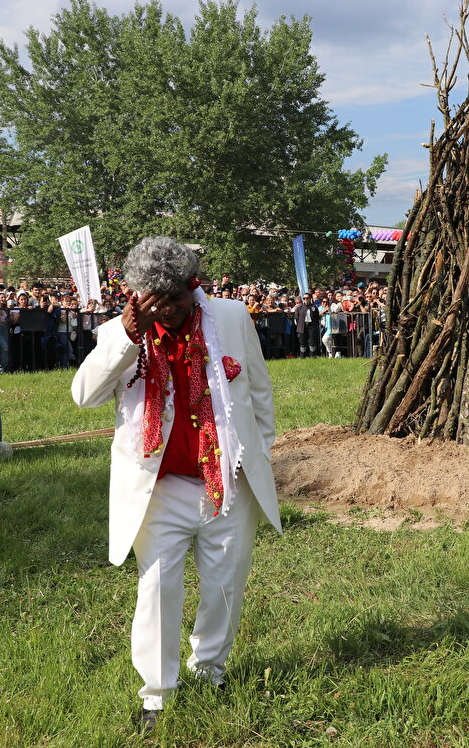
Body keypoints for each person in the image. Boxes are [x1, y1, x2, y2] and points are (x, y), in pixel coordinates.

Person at [71, 236, 281, 733]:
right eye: (155, 303)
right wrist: (126, 336)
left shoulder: (231, 318)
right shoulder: (120, 332)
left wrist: (258, 454)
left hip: (226, 480)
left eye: (177, 301)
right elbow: (85, 396)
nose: (168, 312)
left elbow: (258, 390)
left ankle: (210, 671)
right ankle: (158, 694)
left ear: (195, 288)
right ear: (137, 298)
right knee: (159, 588)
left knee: (225, 585)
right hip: (158, 486)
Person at [293, 292, 320, 358]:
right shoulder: (299, 308)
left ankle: (313, 357)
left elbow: (317, 318)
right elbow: (296, 318)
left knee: (312, 342)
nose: (305, 299)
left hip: (311, 326)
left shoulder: (314, 307)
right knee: (302, 343)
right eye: (304, 298)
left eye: (307, 298)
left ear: (310, 298)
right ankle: (302, 357)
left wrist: (315, 326)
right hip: (302, 326)